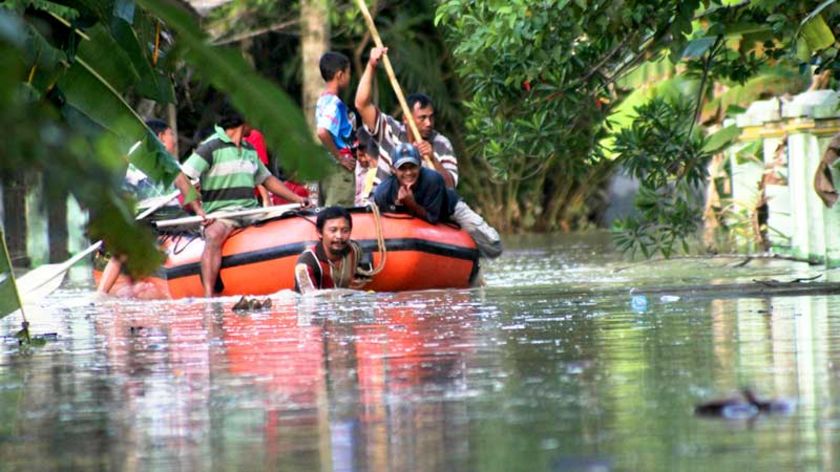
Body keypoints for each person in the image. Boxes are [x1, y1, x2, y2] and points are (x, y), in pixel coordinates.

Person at [180, 105, 311, 297]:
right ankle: (209, 295)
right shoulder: (211, 146)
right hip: (224, 214)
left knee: (287, 219)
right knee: (214, 235)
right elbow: (181, 176)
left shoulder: (249, 149)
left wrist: (298, 199)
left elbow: (267, 179)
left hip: (251, 211)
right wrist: (198, 209)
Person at [97, 119, 197, 295]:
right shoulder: (137, 163)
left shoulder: (172, 164)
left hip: (174, 217)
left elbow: (185, 194)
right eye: (171, 134)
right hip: (148, 218)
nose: (174, 139)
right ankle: (101, 293)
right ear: (160, 137)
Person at [373, 143, 502, 259]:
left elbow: (433, 218)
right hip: (412, 218)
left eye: (412, 167)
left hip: (448, 210)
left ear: (420, 165)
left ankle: (471, 256)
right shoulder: (383, 192)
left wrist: (410, 203)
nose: (408, 172)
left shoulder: (433, 180)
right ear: (393, 170)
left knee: (494, 247)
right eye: (402, 168)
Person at [355, 47, 458, 188]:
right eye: (422, 118)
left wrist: (433, 159)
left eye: (431, 117)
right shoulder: (389, 130)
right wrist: (371, 65)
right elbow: (361, 104)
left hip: (422, 208)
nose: (429, 123)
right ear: (406, 119)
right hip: (383, 206)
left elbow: (450, 186)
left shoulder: (441, 144)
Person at [294, 206, 370, 293]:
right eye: (333, 230)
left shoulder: (354, 250)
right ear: (319, 233)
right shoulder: (306, 263)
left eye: (345, 231)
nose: (339, 236)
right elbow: (309, 301)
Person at [315, 51, 356, 206]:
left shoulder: (322, 100)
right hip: (339, 170)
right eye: (348, 73)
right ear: (340, 75)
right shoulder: (334, 104)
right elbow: (322, 131)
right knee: (339, 214)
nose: (349, 77)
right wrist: (341, 157)